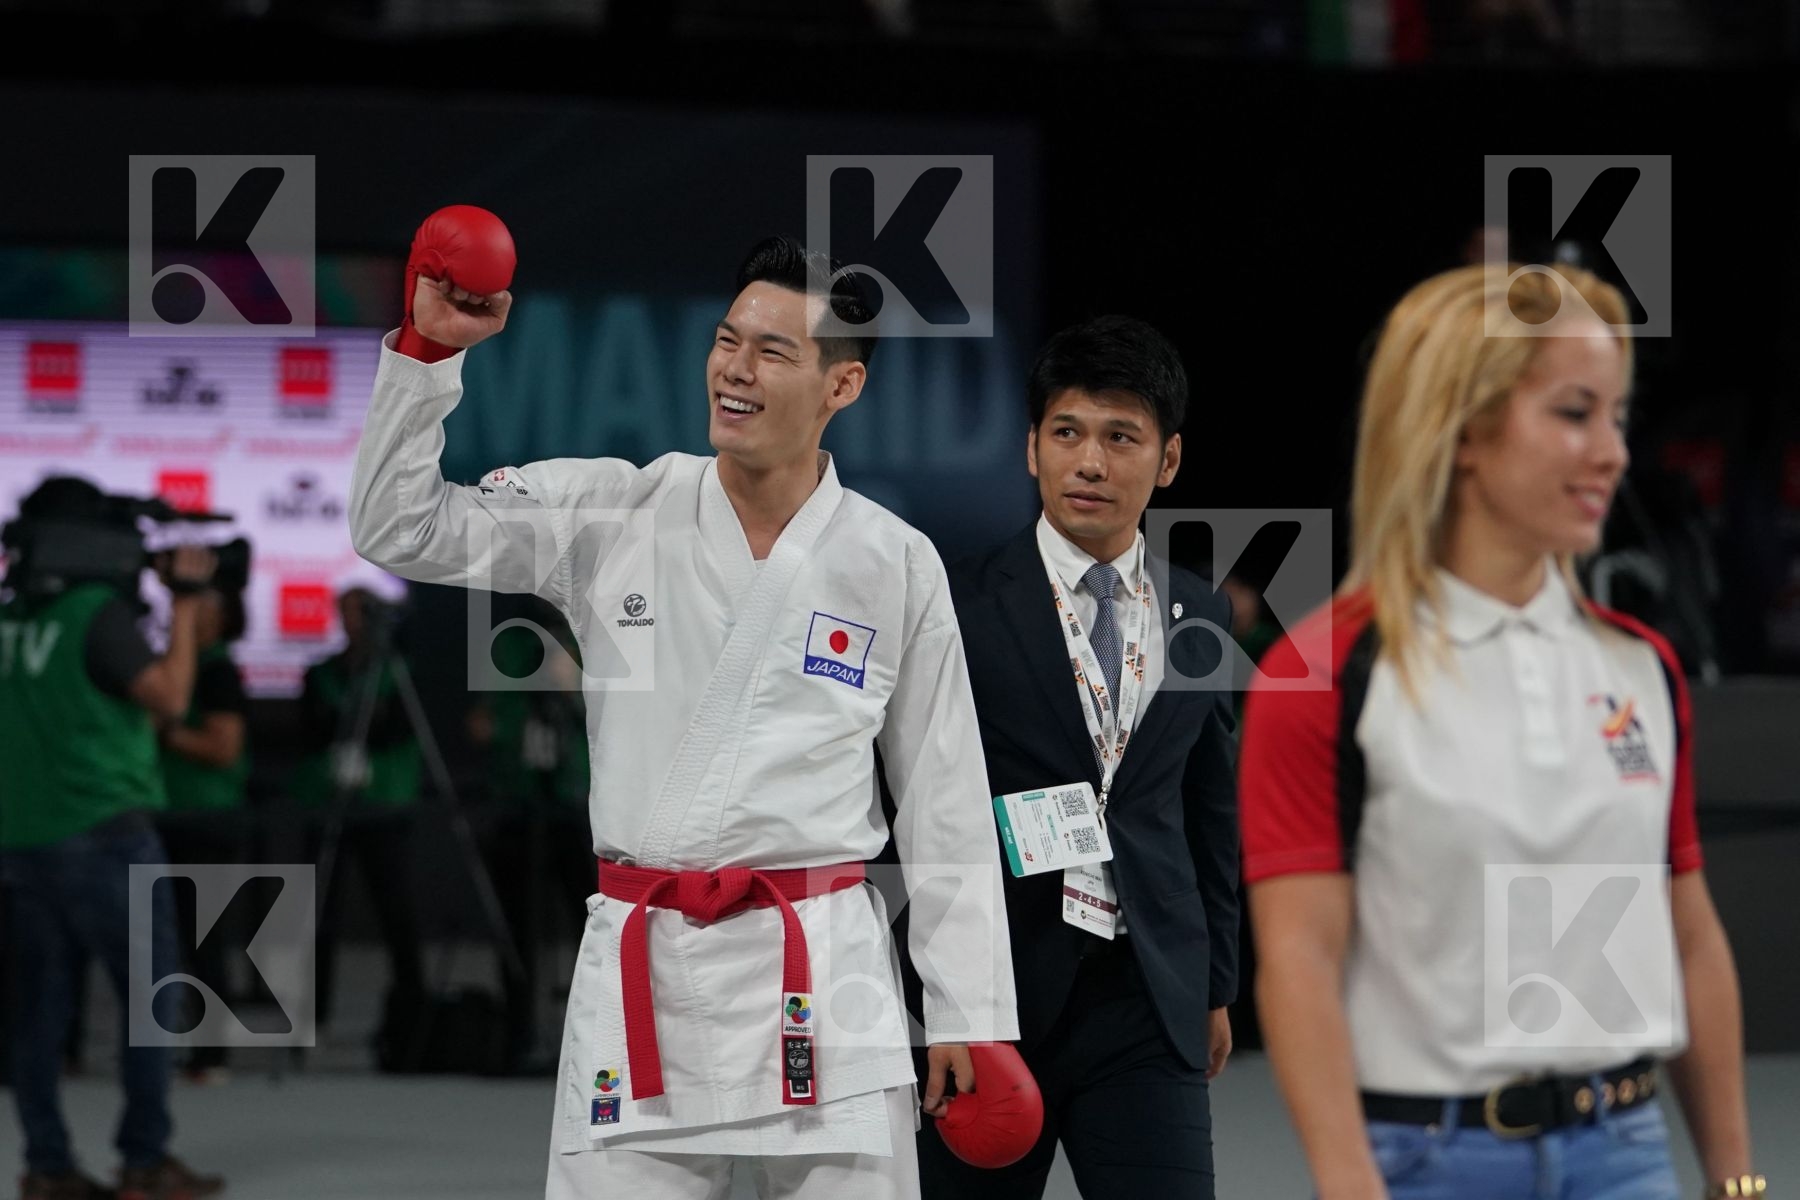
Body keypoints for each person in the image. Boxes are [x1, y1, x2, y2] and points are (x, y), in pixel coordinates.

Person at [348, 213, 1017, 1199]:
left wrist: (968, 1009)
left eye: (773, 351)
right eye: (726, 340)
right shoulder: (615, 513)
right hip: (644, 977)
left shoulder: (893, 561)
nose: (735, 369)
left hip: (823, 976)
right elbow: (398, 527)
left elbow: (943, 794)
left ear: (842, 385)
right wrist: (427, 353)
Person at [1239, 264, 1761, 1200]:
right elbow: (1299, 961)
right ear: (1465, 429)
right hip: (1425, 1164)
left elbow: (1689, 937)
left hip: (1628, 1154)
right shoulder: (1320, 675)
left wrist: (1737, 1184)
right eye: (1575, 413)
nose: (1614, 454)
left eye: (1618, 418)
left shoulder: (1642, 668)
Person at [911, 315, 1239, 1199]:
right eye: (1067, 433)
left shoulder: (1202, 614)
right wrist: (932, 998)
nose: (1090, 462)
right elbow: (907, 800)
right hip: (992, 999)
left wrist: (1213, 984)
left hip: (1146, 995)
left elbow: (1208, 809)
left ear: (1168, 460)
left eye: (1121, 437)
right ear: (1031, 449)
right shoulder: (954, 602)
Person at [0, 476, 226, 1200]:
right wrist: (185, 604)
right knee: (150, 1003)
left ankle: (47, 1167)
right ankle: (143, 1161)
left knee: (36, 1017)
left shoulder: (11, 617)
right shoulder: (94, 612)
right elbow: (171, 699)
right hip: (103, 834)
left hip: (20, 839)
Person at [292, 587, 427, 1056]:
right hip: (330, 803)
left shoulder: (396, 674)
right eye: (346, 613)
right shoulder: (322, 674)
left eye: (360, 613)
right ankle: (311, 1019)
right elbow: (310, 730)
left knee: (397, 913)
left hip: (382, 807)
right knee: (317, 914)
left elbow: (402, 732)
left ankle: (414, 1015)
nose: (352, 623)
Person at [466, 600, 596, 1072]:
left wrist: (570, 688)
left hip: (571, 802)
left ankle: (596, 1030)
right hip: (518, 803)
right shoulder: (508, 646)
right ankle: (519, 1031)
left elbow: (608, 718)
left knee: (590, 920)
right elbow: (481, 723)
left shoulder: (586, 642)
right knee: (518, 922)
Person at [154, 588, 252, 1085]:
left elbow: (223, 748)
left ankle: (211, 1053)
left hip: (206, 821)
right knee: (168, 940)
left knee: (204, 940)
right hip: (167, 816)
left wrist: (165, 734)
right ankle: (175, 1047)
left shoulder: (217, 673)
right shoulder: (174, 666)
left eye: (206, 609)